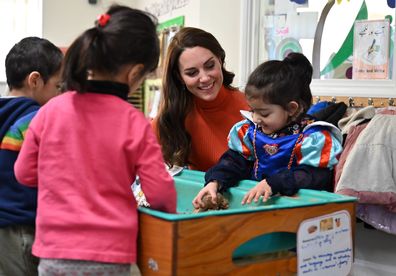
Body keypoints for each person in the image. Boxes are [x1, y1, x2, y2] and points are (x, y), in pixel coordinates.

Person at [14, 5, 176, 276]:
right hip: (110, 255)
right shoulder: (133, 121)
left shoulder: (50, 110)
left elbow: (23, 173)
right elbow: (159, 193)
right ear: (135, 73)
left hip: (53, 254)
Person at [192, 53, 343, 208]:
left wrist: (274, 183)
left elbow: (315, 176)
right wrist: (215, 181)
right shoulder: (251, 131)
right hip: (259, 205)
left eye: (264, 113)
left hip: (298, 210)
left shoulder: (311, 137)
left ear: (291, 108)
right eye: (252, 111)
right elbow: (234, 161)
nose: (256, 119)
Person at [0, 36, 63, 276]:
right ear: (35, 80)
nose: (59, 95)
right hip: (25, 226)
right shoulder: (38, 119)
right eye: (57, 86)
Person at [152, 27, 249, 171]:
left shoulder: (251, 108)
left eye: (210, 66)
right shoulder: (171, 119)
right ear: (180, 77)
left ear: (220, 60)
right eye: (192, 73)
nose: (204, 78)